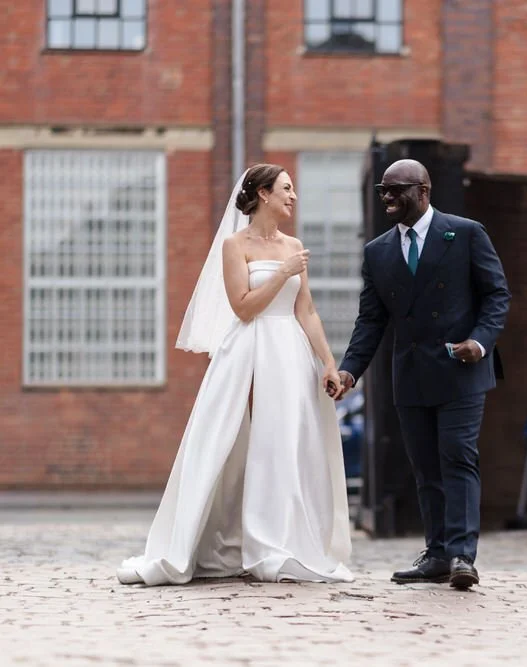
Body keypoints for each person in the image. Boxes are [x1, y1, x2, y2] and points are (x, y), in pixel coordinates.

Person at [116, 164, 353, 586]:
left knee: (288, 442)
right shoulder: (234, 245)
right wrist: (282, 273)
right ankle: (227, 541)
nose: (293, 196)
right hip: (249, 346)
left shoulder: (294, 245)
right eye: (286, 188)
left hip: (290, 353)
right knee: (231, 438)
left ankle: (285, 543)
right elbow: (243, 307)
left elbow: (307, 311)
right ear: (263, 194)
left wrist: (329, 362)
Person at [331, 159, 511, 590]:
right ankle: (436, 554)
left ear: (424, 191)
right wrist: (350, 370)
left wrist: (479, 342)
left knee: (457, 457)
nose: (388, 198)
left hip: (461, 368)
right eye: (383, 190)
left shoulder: (465, 233)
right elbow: (371, 320)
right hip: (410, 373)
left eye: (397, 190)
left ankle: (462, 556)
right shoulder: (378, 251)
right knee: (425, 466)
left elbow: (496, 295)